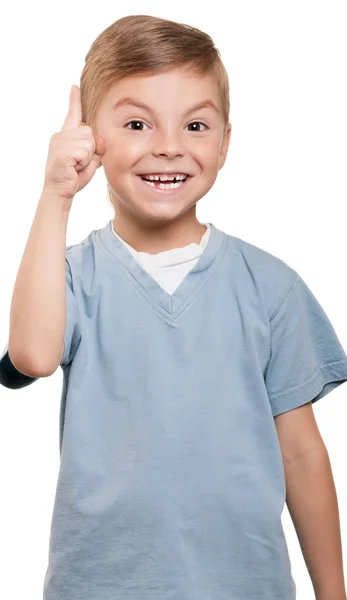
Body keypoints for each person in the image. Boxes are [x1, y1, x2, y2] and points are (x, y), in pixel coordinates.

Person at [1, 14, 347, 600]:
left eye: (194, 125)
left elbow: (301, 453)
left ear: (225, 142)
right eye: (137, 123)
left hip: (245, 585)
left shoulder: (270, 285)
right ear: (90, 136)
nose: (168, 146)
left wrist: (333, 593)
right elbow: (32, 356)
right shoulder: (72, 276)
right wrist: (55, 194)